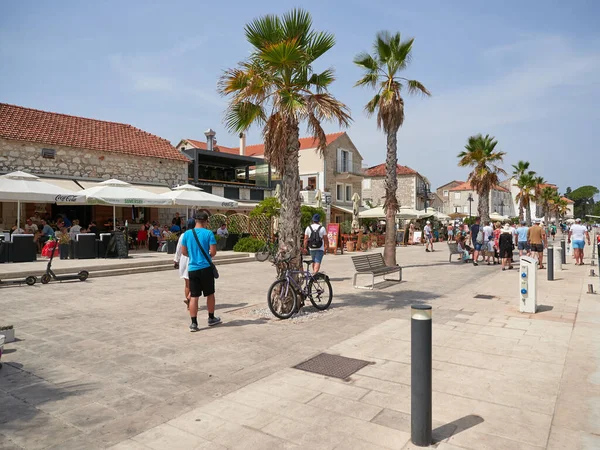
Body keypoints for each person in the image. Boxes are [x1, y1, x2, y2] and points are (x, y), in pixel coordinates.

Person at [181, 212, 221, 332]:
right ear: (206, 221)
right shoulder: (209, 233)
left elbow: (184, 252)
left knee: (194, 296)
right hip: (206, 268)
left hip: (192, 268)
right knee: (210, 294)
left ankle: (194, 323)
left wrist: (193, 256)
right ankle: (211, 318)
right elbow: (213, 253)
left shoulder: (187, 234)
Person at [175, 218, 196, 310]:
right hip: (193, 259)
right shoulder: (196, 234)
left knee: (187, 283)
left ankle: (189, 302)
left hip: (184, 259)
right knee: (195, 282)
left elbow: (178, 248)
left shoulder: (183, 235)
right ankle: (190, 299)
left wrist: (176, 259)